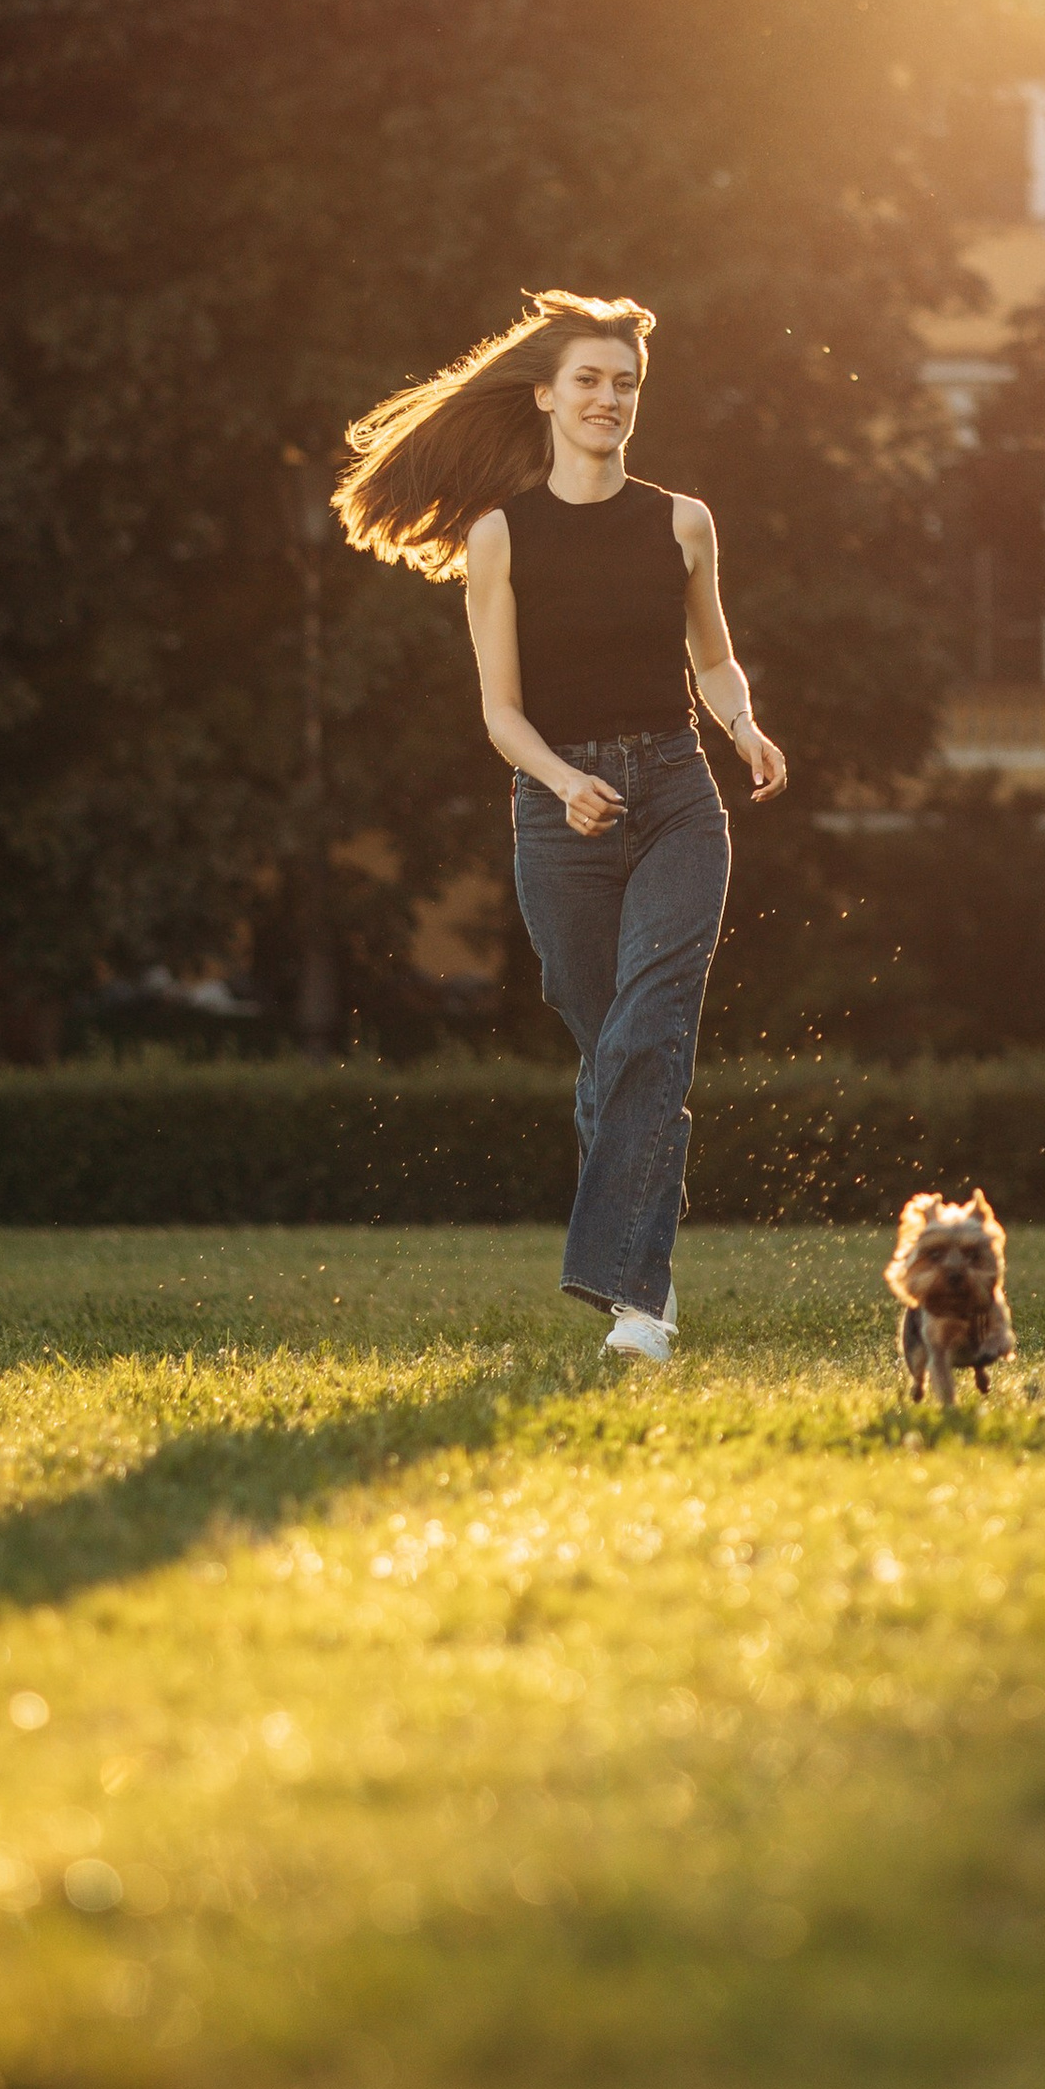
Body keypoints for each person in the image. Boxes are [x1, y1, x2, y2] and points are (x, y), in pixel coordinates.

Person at [336, 289, 786, 1363]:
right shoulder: (499, 537)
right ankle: (629, 1273)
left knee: (650, 1035)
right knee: (610, 1051)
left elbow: (711, 654)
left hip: (677, 795)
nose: (608, 399)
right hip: (561, 815)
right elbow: (499, 712)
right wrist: (559, 780)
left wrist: (743, 726)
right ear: (544, 395)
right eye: (587, 379)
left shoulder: (681, 522)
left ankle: (637, 1301)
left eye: (625, 384)